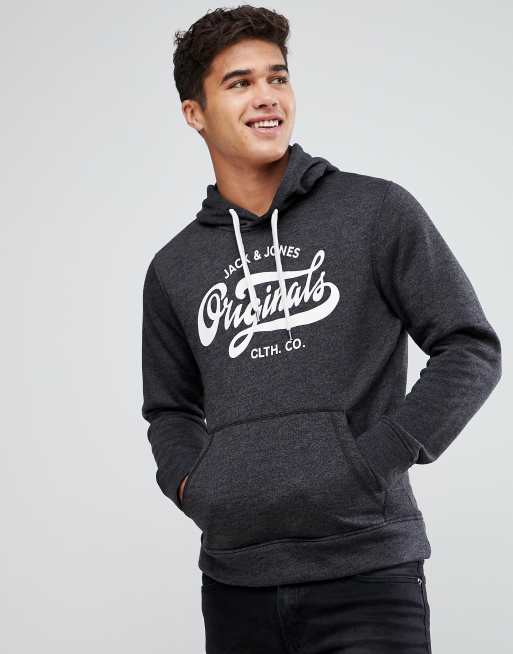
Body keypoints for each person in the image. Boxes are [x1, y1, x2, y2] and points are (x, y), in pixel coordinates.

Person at [141, 5, 502, 652]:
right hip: (234, 582)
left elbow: (469, 348)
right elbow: (170, 408)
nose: (266, 97)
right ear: (194, 113)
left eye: (277, 78)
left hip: (368, 573)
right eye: (240, 83)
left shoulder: (375, 211)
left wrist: (376, 459)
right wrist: (197, 486)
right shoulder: (175, 268)